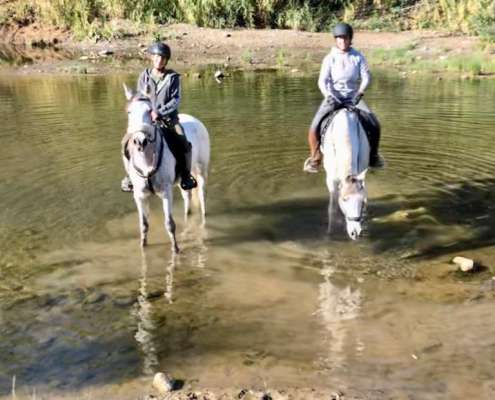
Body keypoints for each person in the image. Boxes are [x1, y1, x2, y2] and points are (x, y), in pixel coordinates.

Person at [303, 22, 385, 173]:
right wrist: (328, 95)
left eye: (345, 38)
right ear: (335, 40)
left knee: (375, 125)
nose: (342, 41)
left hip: (354, 97)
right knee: (314, 127)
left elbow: (366, 77)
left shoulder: (358, 57)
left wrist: (360, 93)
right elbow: (322, 81)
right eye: (339, 38)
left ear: (350, 39)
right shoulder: (329, 58)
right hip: (334, 97)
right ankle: (315, 159)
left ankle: (373, 156)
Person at [121, 42, 197, 192]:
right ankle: (130, 176)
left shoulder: (173, 77)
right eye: (156, 57)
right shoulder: (145, 75)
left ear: (166, 60)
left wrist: (160, 112)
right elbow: (140, 97)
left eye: (162, 58)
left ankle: (186, 176)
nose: (159, 60)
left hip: (168, 120)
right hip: (147, 122)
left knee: (183, 141)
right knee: (125, 142)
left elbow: (175, 100)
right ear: (152, 58)